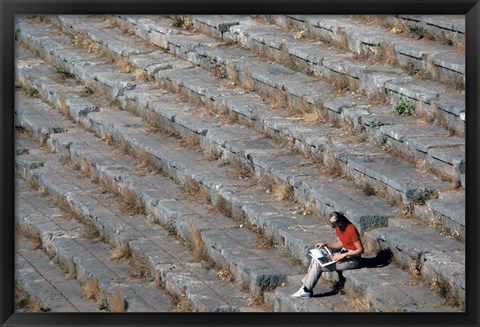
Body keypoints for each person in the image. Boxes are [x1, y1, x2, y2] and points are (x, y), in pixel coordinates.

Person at [291, 211, 364, 298]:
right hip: (342, 253)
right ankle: (305, 288)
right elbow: (340, 244)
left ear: (340, 222)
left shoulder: (351, 229)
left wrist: (343, 255)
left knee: (319, 265)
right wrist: (325, 244)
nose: (334, 228)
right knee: (316, 258)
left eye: (335, 225)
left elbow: (360, 249)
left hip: (353, 259)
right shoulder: (338, 228)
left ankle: (306, 290)